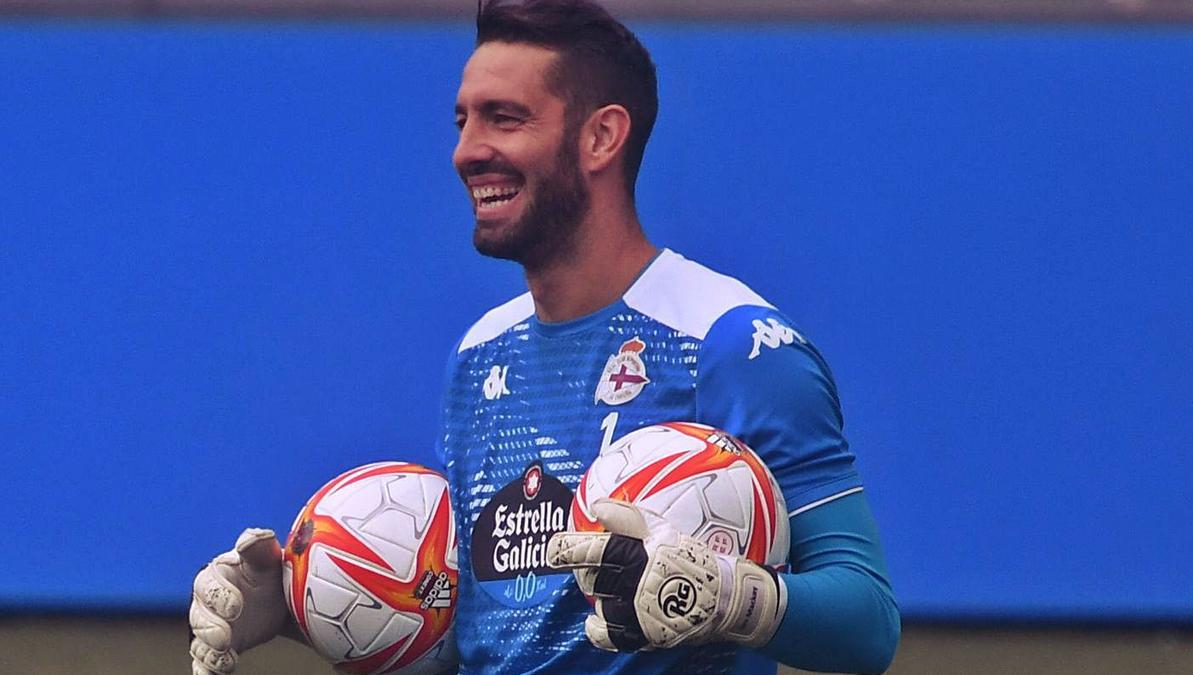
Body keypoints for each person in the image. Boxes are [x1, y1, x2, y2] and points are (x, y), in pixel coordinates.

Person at [189, 1, 901, 674]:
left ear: (601, 136)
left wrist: (732, 595)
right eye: (463, 121)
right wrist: (299, 605)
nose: (466, 152)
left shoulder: (733, 344)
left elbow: (868, 621)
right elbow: (500, 635)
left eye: (504, 118)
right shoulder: (478, 356)